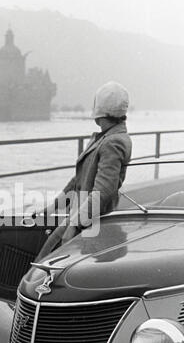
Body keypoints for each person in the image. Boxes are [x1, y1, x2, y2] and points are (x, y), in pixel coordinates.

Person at [35, 81, 132, 262]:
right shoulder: (105, 138)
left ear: (99, 112)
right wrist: (53, 207)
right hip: (79, 214)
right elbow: (79, 179)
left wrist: (75, 224)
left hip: (90, 222)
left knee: (51, 266)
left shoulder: (113, 142)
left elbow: (103, 191)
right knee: (46, 258)